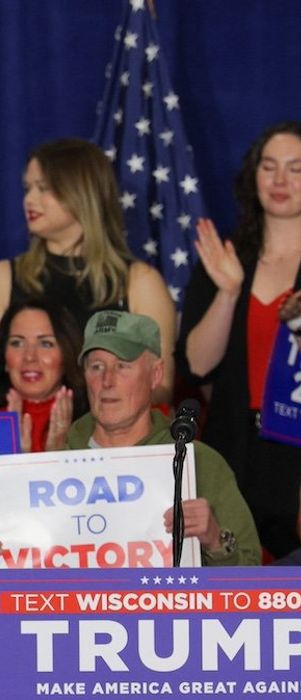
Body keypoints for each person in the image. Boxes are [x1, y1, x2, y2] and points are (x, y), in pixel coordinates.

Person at [0, 310, 261, 569]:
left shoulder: (196, 463)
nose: (107, 381)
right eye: (96, 367)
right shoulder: (52, 461)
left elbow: (252, 578)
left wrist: (214, 539)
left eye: (123, 366)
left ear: (155, 375)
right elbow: (15, 575)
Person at [0, 138, 175, 411]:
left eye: (43, 189)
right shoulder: (0, 279)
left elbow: (161, 386)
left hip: (112, 448)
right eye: (28, 188)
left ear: (82, 194)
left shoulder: (140, 282)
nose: (29, 200)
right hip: (25, 447)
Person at [179, 121, 301, 559]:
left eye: (295, 168)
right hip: (232, 446)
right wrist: (229, 293)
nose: (280, 180)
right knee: (229, 571)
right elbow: (194, 366)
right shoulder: (226, 260)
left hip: (295, 452)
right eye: (269, 167)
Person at [0, 297, 86, 452]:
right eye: (17, 343)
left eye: (45, 343)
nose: (29, 356)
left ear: (67, 353)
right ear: (4, 358)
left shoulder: (97, 428)